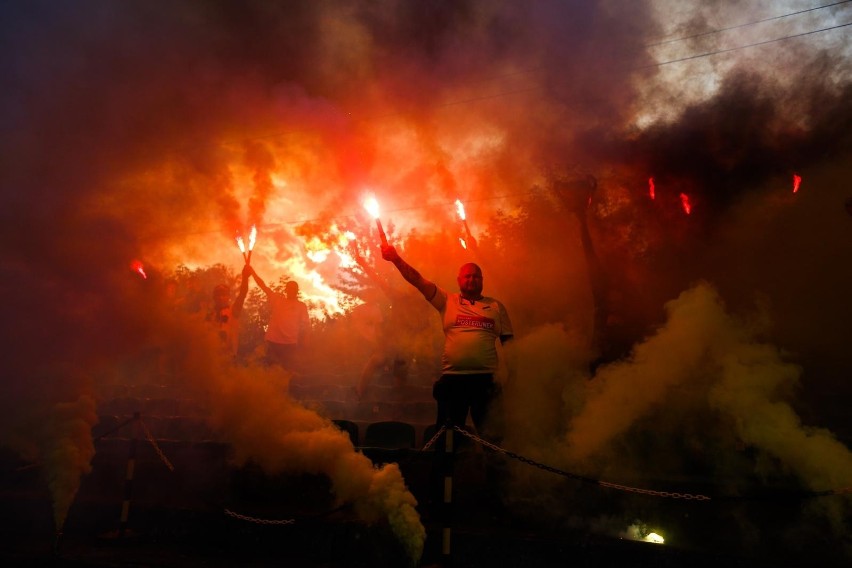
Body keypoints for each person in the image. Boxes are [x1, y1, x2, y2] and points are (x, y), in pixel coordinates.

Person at [380, 244, 513, 439]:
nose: (471, 279)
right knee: (446, 437)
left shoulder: (495, 306)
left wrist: (512, 378)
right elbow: (418, 280)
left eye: (476, 276)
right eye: (467, 276)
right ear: (459, 280)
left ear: (482, 280)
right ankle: (444, 470)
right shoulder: (447, 300)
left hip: (486, 381)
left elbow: (510, 345)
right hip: (453, 380)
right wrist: (396, 259)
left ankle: (494, 469)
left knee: (492, 437)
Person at [249, 267, 311, 371]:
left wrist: (305, 343)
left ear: (297, 291)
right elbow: (263, 286)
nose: (291, 291)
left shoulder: (301, 306)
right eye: (289, 288)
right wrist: (252, 272)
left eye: (294, 289)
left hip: (290, 344)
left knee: (288, 372)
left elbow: (306, 326)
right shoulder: (277, 300)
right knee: (271, 370)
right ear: (286, 290)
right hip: (273, 342)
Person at [206, 264, 251, 359]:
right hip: (211, 357)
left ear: (228, 297)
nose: (221, 297)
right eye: (218, 295)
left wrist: (245, 277)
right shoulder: (210, 313)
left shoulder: (233, 310)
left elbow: (242, 293)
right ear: (214, 297)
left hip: (229, 356)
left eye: (224, 295)